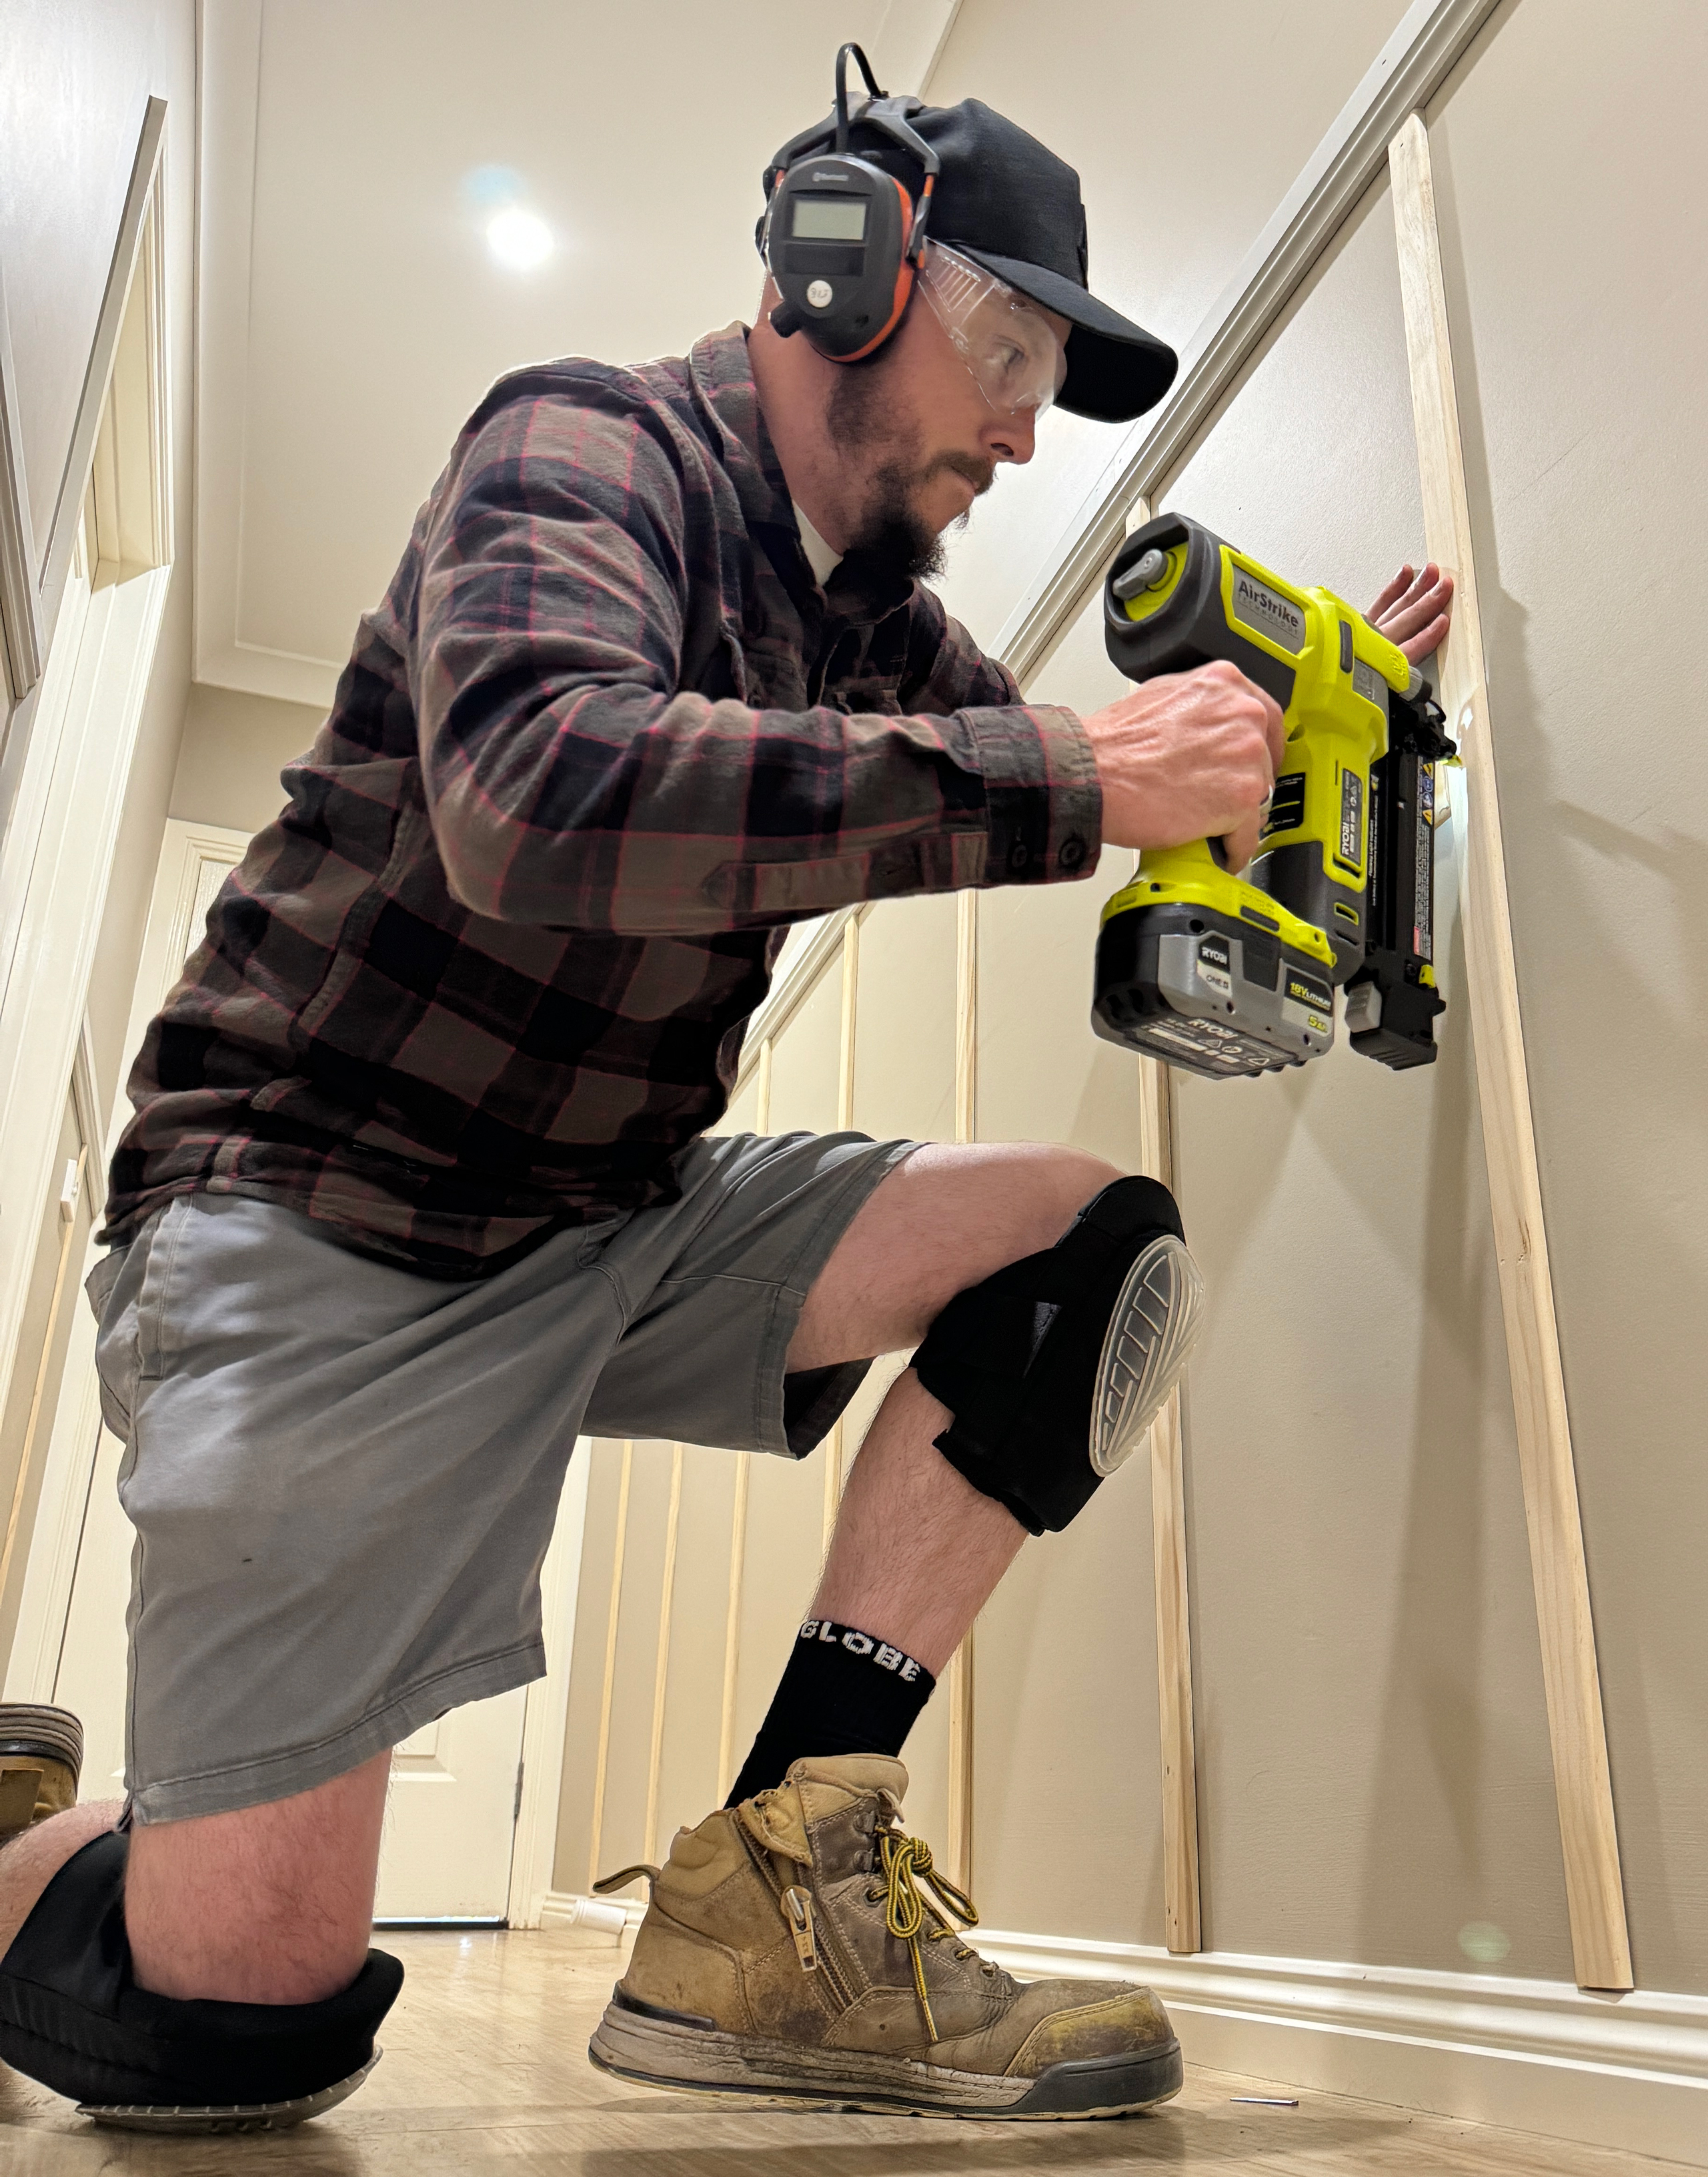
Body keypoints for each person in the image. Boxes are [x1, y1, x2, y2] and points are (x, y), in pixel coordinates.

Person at [0, 69, 1451, 2131]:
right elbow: (542, 791)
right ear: (840, 267)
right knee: (232, 2039)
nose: (1027, 428)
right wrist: (1082, 775)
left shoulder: (877, 628)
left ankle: (778, 1891)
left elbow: (1052, 757)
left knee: (1082, 1235)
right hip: (326, 1214)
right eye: (1011, 352)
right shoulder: (578, 443)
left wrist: (1323, 698)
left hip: (608, 1218)